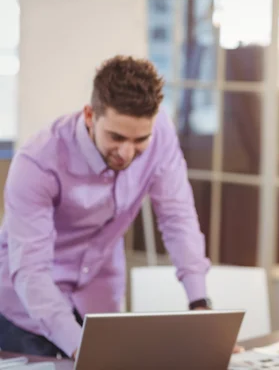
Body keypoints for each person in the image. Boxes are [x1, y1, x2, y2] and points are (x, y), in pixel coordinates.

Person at [0, 55, 214, 359]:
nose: (127, 152)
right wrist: (82, 348)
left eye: (140, 139)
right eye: (116, 137)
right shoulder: (38, 162)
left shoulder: (161, 134)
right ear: (90, 115)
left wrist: (199, 304)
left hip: (99, 303)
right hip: (29, 313)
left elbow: (178, 218)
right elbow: (31, 270)